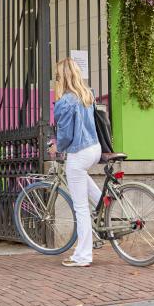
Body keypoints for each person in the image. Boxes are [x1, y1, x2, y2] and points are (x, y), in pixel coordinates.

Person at [50, 58, 101, 267]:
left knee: (80, 208)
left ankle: (83, 256)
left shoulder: (64, 102)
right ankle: (106, 206)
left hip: (78, 152)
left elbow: (64, 135)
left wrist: (56, 147)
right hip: (94, 149)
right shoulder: (87, 95)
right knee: (84, 180)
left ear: (61, 77)